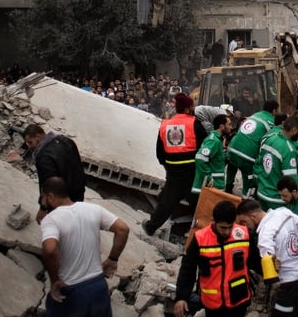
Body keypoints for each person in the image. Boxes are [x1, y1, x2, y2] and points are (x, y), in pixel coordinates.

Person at [40, 177, 130, 317]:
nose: (42, 203)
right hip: (98, 287)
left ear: (50, 197)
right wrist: (113, 259)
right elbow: (123, 229)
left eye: (43, 198)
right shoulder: (93, 209)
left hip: (71, 290)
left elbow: (50, 249)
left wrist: (54, 280)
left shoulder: (51, 219)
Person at [236, 199, 298, 317]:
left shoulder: (265, 233)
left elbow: (268, 259)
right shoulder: (283, 212)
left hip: (290, 282)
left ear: (253, 216)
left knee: (280, 313)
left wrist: (271, 269)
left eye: (244, 221)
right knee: (293, 311)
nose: (245, 226)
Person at [174, 200, 257, 317]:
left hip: (238, 300)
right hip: (212, 304)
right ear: (213, 221)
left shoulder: (244, 234)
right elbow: (188, 269)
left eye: (230, 227)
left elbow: (256, 261)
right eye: (223, 228)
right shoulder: (200, 238)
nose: (227, 232)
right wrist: (181, 297)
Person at [143, 92, 208, 236]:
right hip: (192, 170)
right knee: (198, 203)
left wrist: (168, 166)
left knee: (167, 202)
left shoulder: (165, 125)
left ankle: (151, 227)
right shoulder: (195, 123)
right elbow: (205, 145)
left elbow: (160, 153)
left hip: (173, 171)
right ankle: (204, 233)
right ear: (187, 108)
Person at [23, 124, 87, 224]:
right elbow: (78, 166)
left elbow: (48, 184)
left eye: (30, 142)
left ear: (38, 136)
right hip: (78, 192)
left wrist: (43, 208)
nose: (30, 146)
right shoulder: (66, 140)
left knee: (62, 225)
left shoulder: (43, 157)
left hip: (62, 200)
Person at [226, 99, 279, 195]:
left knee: (230, 173)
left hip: (231, 150)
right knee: (249, 183)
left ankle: (226, 191)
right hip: (246, 156)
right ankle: (246, 199)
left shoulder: (255, 115)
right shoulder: (271, 122)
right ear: (274, 111)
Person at [253, 115, 298, 210]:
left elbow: (258, 164)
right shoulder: (289, 150)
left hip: (262, 193)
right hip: (277, 200)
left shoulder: (269, 139)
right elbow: (291, 180)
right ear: (294, 130)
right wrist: (297, 199)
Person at [191, 114, 233, 195]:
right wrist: (208, 178)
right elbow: (200, 158)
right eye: (229, 124)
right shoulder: (214, 141)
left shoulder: (217, 140)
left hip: (213, 188)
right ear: (222, 126)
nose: (231, 127)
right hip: (209, 189)